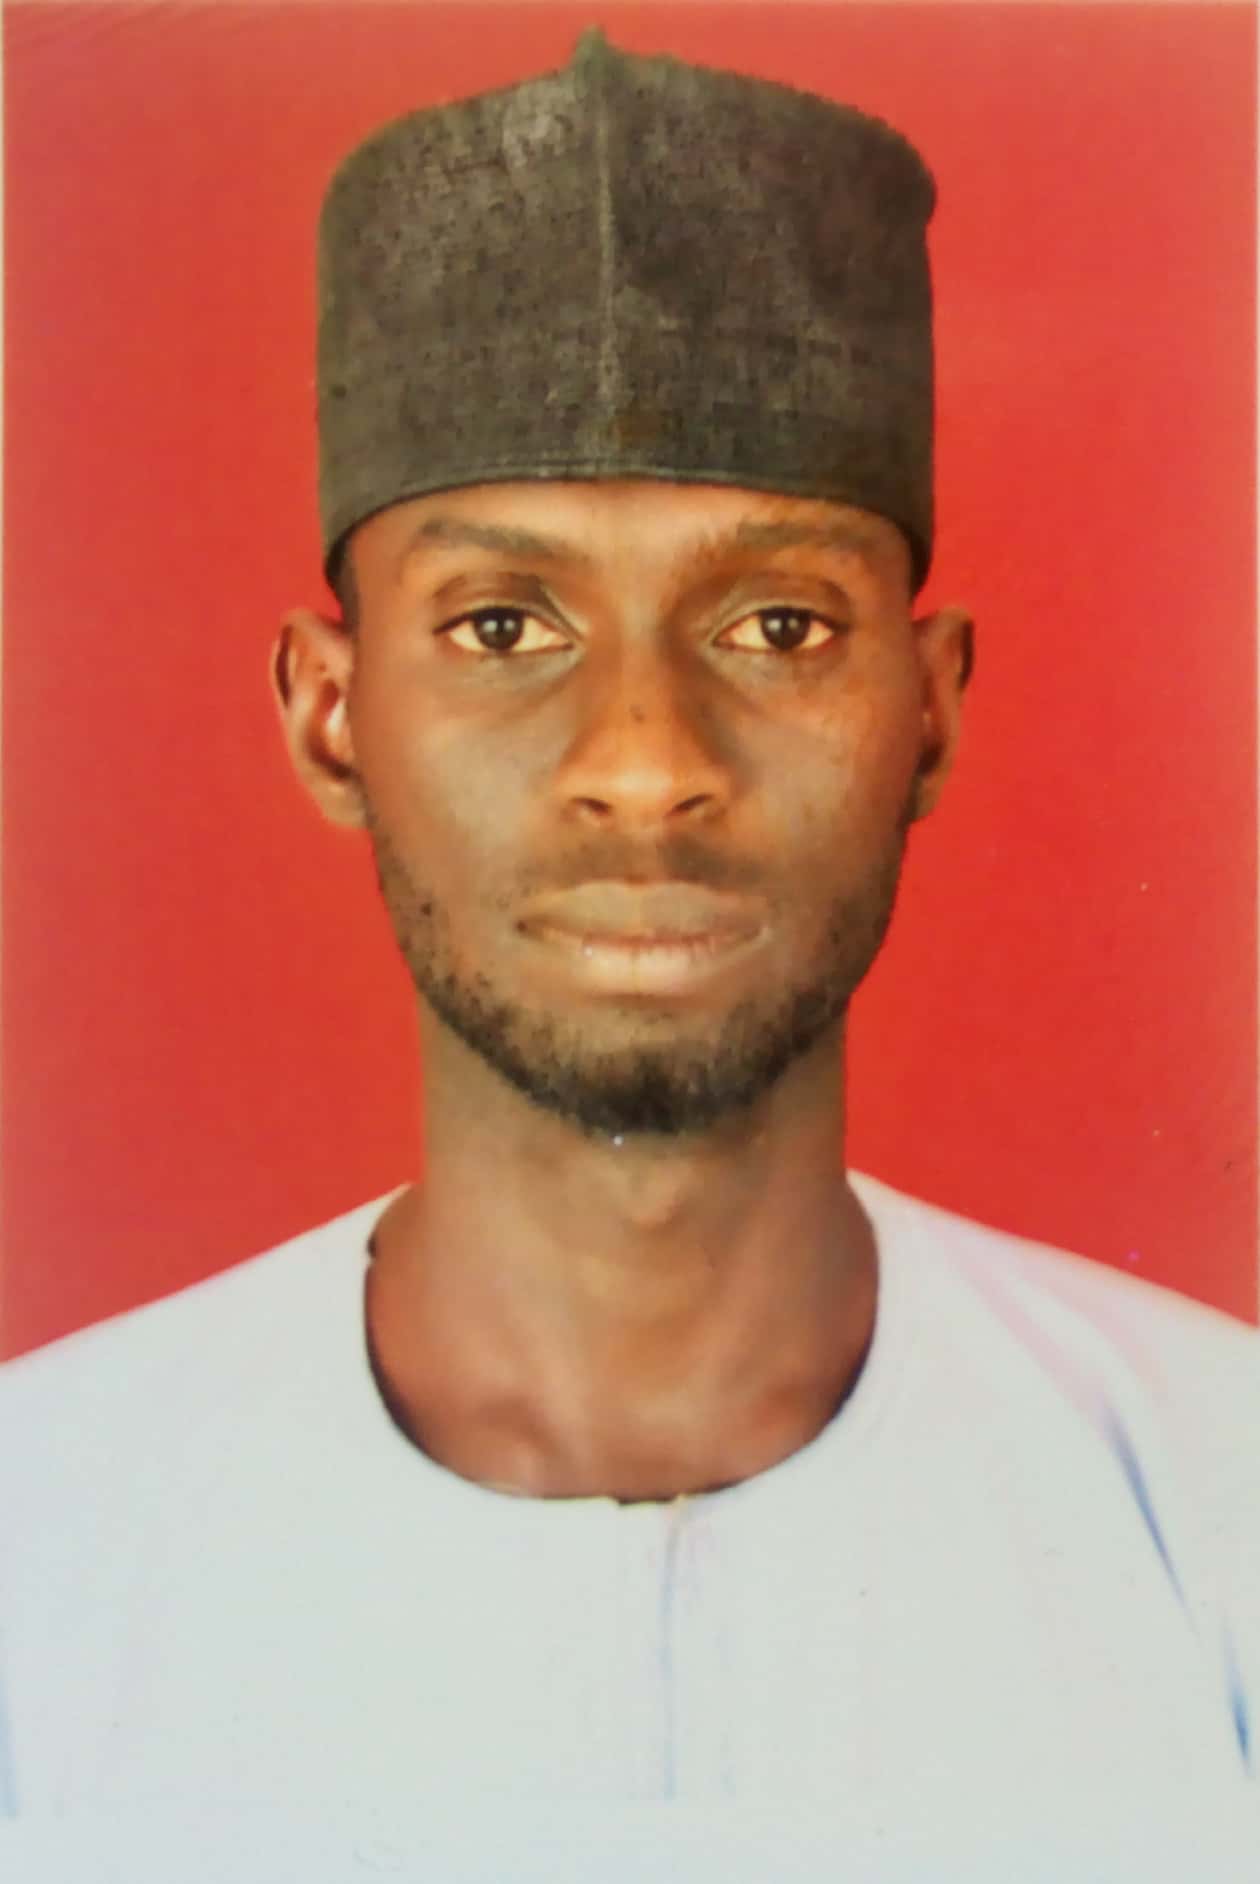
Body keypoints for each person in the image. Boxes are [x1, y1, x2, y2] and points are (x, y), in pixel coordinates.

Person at [2, 28, 1256, 1878]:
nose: (649, 763)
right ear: (333, 717)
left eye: (777, 624)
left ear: (931, 708)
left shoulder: (1217, 1511)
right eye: (505, 627)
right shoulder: (44, 1545)